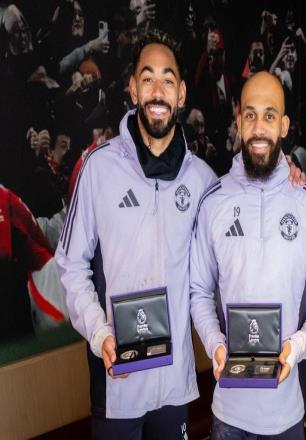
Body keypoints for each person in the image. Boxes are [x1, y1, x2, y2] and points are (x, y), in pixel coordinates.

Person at [55, 29, 217, 439]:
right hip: (118, 385)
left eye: (168, 80)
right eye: (148, 78)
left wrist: (289, 173)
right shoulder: (98, 168)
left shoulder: (202, 180)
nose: (157, 91)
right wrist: (100, 333)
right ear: (133, 89)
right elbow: (71, 264)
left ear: (182, 94)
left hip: (175, 387)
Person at [190, 71, 306, 439]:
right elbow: (199, 291)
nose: (258, 128)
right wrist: (215, 345)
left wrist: (298, 346)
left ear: (283, 126)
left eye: (269, 116)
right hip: (227, 415)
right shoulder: (213, 202)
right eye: (250, 115)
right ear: (238, 122)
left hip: (286, 415)